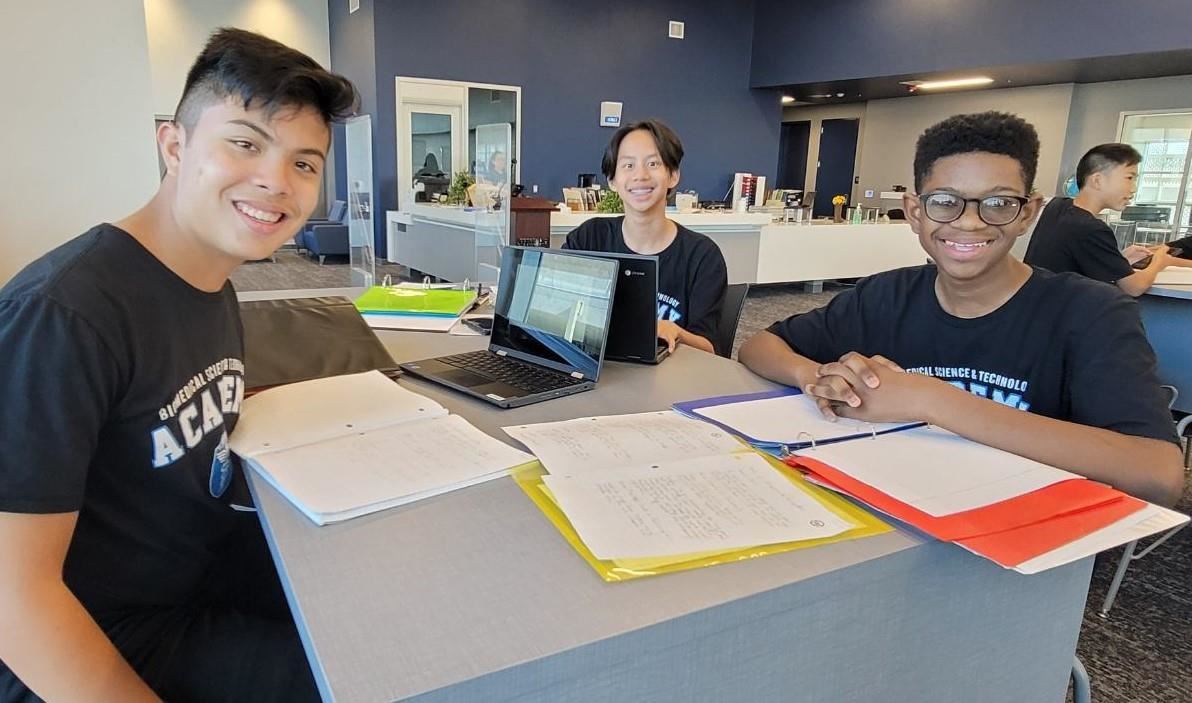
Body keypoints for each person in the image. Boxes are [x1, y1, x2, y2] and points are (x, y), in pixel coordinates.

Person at [0, 28, 357, 703]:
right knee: (363, 682)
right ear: (173, 145)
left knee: (376, 608)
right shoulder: (64, 314)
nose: (275, 181)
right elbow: (12, 599)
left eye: (304, 163)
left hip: (194, 569)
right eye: (245, 143)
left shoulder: (210, 282)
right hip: (106, 632)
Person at [739, 111, 1184, 508]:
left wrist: (929, 399)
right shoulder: (885, 295)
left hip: (1019, 531)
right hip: (891, 506)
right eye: (944, 202)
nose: (969, 221)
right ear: (915, 212)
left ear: (1027, 213)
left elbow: (1159, 474)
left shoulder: (1090, 312)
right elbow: (760, 345)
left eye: (999, 203)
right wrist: (818, 379)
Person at [562, 119, 727, 354]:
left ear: (673, 175)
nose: (640, 175)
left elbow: (709, 349)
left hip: (671, 373)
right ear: (612, 181)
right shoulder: (588, 238)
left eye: (653, 163)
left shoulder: (702, 256)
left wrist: (676, 332)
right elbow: (558, 314)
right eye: (628, 165)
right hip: (595, 370)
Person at [1024, 143, 1179, 295]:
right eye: (1129, 178)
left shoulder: (1057, 206)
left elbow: (1069, 261)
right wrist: (1159, 262)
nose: (1133, 188)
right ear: (1097, 180)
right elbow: (1134, 287)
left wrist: (1119, 260)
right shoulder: (1091, 228)